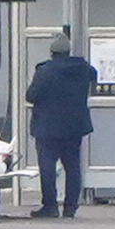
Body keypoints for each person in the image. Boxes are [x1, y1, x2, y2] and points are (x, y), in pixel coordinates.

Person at [22, 37, 99, 219]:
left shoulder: (45, 71)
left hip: (48, 127)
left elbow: (31, 95)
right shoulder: (83, 69)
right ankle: (70, 207)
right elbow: (93, 75)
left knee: (47, 166)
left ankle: (50, 206)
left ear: (52, 53)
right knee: (72, 166)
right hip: (74, 126)